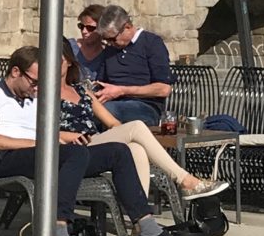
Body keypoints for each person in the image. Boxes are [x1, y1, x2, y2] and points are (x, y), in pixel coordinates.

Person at [0, 46, 195, 236]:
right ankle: (57, 234)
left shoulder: (33, 97)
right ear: (15, 72)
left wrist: (58, 138)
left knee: (118, 152)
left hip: (41, 152)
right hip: (5, 159)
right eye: (34, 81)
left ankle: (148, 230)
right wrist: (42, 143)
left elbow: (46, 130)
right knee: (75, 153)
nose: (38, 88)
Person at [62, 45, 229, 210]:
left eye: (59, 59)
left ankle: (141, 217)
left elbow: (112, 122)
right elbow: (47, 131)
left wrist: (121, 135)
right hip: (71, 149)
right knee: (136, 126)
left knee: (136, 148)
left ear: (69, 62)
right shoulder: (47, 93)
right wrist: (72, 137)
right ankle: (185, 180)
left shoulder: (81, 91)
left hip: (94, 141)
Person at [88, 5, 175, 119]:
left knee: (106, 111)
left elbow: (164, 89)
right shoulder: (110, 50)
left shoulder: (152, 43)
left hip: (145, 106)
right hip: (112, 103)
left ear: (127, 27)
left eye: (112, 39)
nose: (109, 43)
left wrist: (122, 91)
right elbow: (102, 82)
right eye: (106, 40)